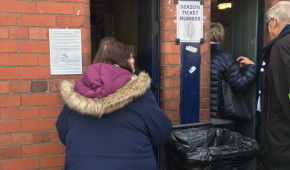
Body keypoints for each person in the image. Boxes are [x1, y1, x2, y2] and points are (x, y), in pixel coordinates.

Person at [56, 40, 172, 170]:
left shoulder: (76, 94)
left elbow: (63, 133)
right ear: (123, 62)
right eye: (132, 61)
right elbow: (162, 133)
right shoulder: (140, 94)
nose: (134, 67)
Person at [260, 2, 290, 169]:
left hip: (282, 141)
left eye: (268, 23)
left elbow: (286, 91)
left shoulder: (281, 47)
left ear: (274, 21)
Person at [210, 22, 257, 126]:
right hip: (220, 117)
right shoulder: (226, 58)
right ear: (221, 37)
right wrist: (251, 67)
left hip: (199, 117)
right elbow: (239, 85)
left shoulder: (196, 55)